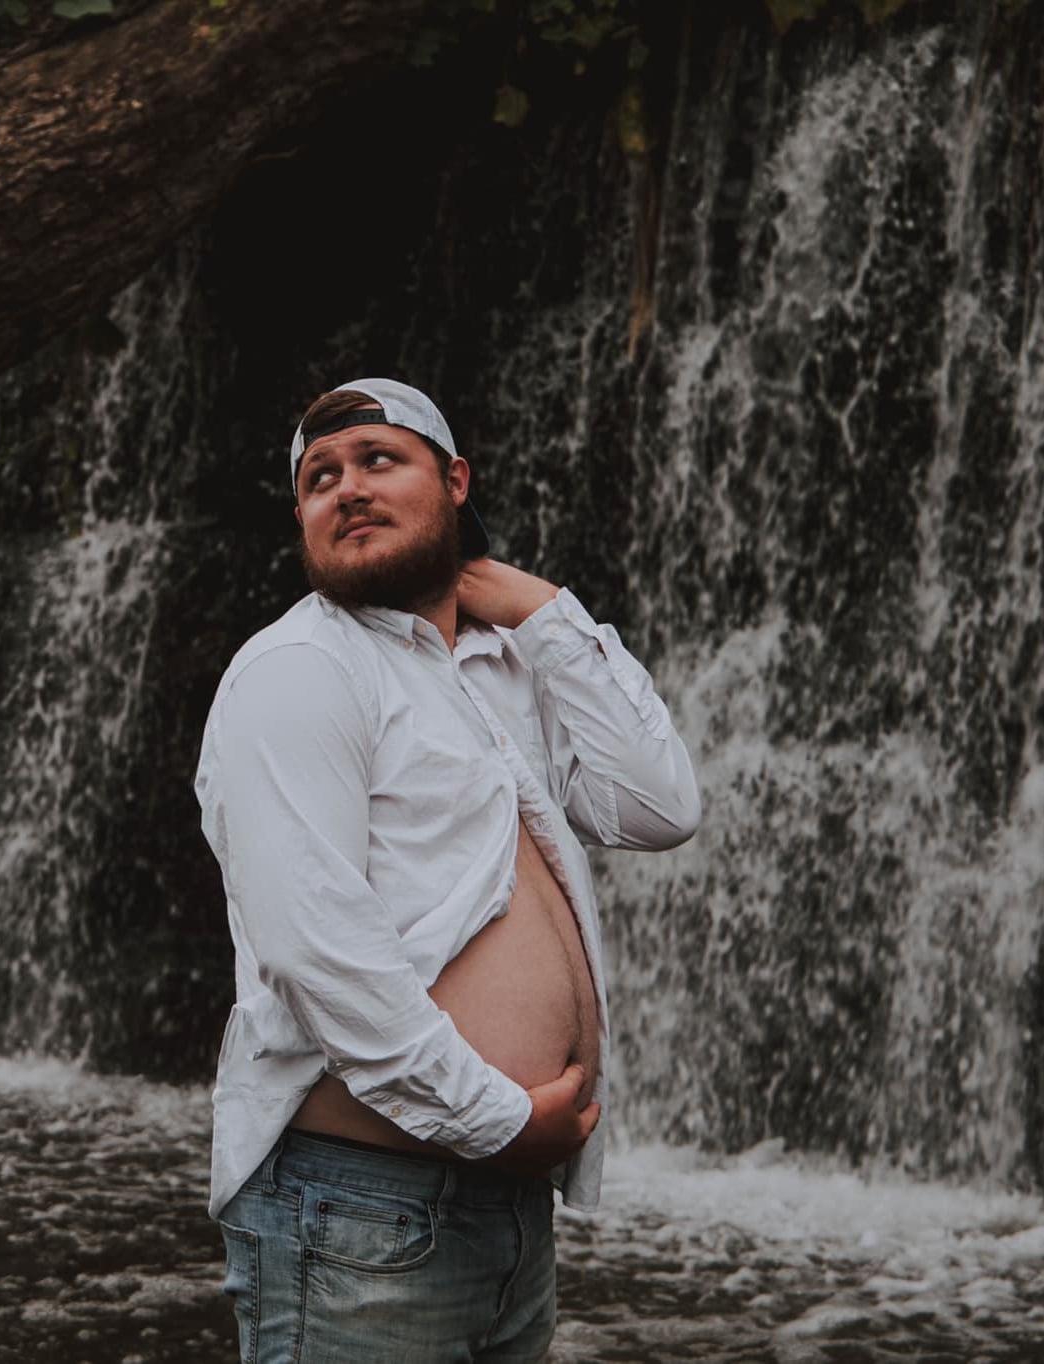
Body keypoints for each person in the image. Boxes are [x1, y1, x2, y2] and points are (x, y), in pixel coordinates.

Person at [194, 377, 700, 1362]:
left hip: (499, 1206)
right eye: (318, 478)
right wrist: (495, 1116)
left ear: (454, 479)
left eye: (377, 460)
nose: (345, 488)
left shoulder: (507, 664)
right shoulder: (297, 670)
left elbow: (657, 803)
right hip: (358, 1205)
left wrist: (550, 616)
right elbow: (319, 948)